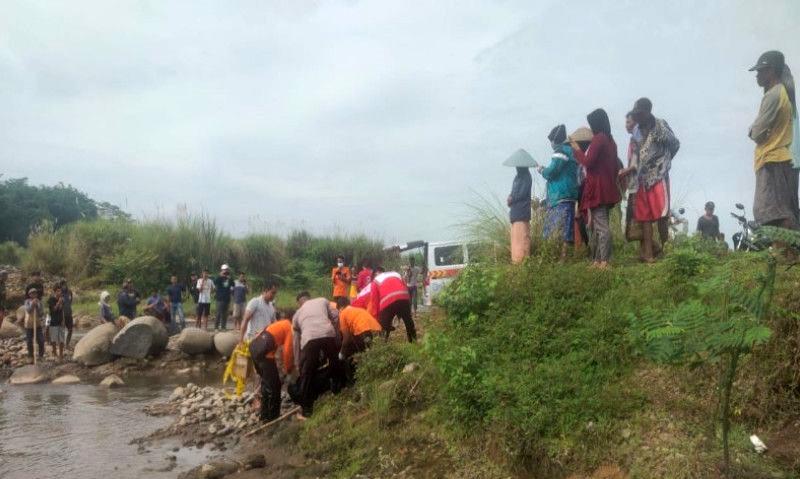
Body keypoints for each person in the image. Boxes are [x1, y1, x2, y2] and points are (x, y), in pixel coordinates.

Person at [748, 50, 798, 230]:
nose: (757, 75)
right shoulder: (783, 93)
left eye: (760, 71)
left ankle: (782, 248)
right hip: (781, 160)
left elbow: (756, 133)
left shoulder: (773, 95)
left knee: (771, 214)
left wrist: (752, 130)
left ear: (772, 71)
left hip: (772, 160)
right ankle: (786, 247)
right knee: (782, 211)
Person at [570, 109, 622, 268]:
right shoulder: (611, 141)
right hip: (608, 188)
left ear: (596, 124)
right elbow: (615, 166)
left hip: (598, 189)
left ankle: (604, 261)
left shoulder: (599, 139)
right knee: (599, 226)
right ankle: (597, 260)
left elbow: (587, 162)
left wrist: (576, 149)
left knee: (601, 227)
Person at [631, 98, 680, 262]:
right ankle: (649, 254)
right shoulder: (636, 131)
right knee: (645, 217)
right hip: (642, 178)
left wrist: (664, 161)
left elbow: (675, 144)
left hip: (659, 176)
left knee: (662, 216)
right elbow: (635, 153)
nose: (636, 117)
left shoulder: (660, 126)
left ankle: (667, 251)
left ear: (647, 112)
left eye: (639, 114)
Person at [292, 291, 345, 419]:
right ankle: (339, 390)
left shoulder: (297, 314)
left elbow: (296, 341)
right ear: (310, 298)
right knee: (334, 362)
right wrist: (337, 338)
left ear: (299, 303)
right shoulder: (322, 300)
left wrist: (298, 362)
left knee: (307, 372)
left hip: (309, 339)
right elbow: (336, 316)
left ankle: (306, 409)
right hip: (328, 334)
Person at [538, 124, 580, 259]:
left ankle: (561, 258)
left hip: (561, 194)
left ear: (554, 140)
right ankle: (563, 257)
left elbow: (552, 171)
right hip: (569, 193)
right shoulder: (571, 151)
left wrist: (542, 170)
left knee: (558, 228)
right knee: (566, 227)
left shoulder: (560, 152)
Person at [248, 317, 294, 422]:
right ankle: (273, 418)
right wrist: (288, 369)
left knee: (266, 385)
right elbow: (287, 352)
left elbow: (263, 334)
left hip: (254, 349)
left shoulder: (278, 324)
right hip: (265, 355)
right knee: (275, 387)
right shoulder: (289, 328)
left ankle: (264, 415)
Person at [353, 270, 416, 342]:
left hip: (387, 300)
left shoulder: (375, 281)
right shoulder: (395, 274)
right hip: (403, 295)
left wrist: (377, 318)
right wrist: (407, 304)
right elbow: (405, 286)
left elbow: (375, 302)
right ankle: (413, 340)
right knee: (408, 321)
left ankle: (383, 339)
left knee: (383, 323)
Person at [619, 112, 647, 256]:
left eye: (628, 122)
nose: (626, 125)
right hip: (636, 183)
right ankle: (646, 250)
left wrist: (624, 171)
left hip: (638, 184)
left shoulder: (637, 137)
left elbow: (636, 164)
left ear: (636, 123)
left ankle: (652, 249)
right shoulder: (637, 136)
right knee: (637, 219)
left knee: (637, 218)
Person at [507, 163, 533, 264]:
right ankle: (516, 262)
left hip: (522, 212)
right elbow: (513, 192)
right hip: (515, 213)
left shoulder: (526, 177)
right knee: (515, 240)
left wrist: (512, 198)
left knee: (522, 239)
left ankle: (522, 263)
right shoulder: (517, 177)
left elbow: (522, 193)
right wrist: (510, 198)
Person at [24, 288, 45, 362]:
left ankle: (41, 355)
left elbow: (41, 313)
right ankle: (31, 356)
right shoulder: (27, 302)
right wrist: (32, 304)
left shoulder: (39, 302)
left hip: (37, 324)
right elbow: (28, 310)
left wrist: (37, 306)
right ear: (29, 295)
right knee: (29, 341)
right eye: (32, 293)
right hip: (29, 325)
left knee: (41, 340)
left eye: (35, 293)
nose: (34, 295)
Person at [47, 286, 66, 361]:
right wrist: (58, 302)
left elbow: (62, 310)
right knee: (53, 339)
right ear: (54, 292)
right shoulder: (51, 300)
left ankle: (61, 354)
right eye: (58, 291)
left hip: (60, 321)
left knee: (61, 339)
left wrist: (63, 320)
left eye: (60, 291)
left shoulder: (62, 300)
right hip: (53, 321)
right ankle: (54, 352)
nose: (59, 292)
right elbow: (54, 309)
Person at [213, 264, 235, 331]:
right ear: (222, 270)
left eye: (226, 270)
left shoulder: (229, 278)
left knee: (225, 314)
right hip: (220, 298)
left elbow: (233, 284)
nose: (225, 271)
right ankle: (216, 327)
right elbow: (215, 282)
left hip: (227, 298)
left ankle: (223, 327)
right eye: (224, 270)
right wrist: (220, 275)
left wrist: (229, 278)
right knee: (218, 313)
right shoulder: (219, 277)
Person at [59, 280, 74, 347]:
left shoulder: (69, 292)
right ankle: (61, 344)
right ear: (61, 286)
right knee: (62, 330)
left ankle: (67, 344)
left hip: (69, 313)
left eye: (65, 285)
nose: (64, 286)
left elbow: (70, 301)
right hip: (62, 314)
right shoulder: (60, 293)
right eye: (62, 285)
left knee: (70, 329)